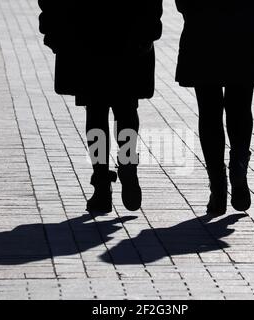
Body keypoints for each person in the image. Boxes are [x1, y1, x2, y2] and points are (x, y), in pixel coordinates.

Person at [38, 1, 163, 213]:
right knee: (127, 108)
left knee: (96, 111)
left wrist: (52, 28)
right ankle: (127, 161)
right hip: (129, 30)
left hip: (86, 31)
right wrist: (149, 27)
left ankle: (102, 183)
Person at [175, 0, 254, 216]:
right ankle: (238, 166)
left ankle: (217, 187)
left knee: (209, 111)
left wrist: (193, 11)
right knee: (241, 107)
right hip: (244, 31)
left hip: (203, 32)